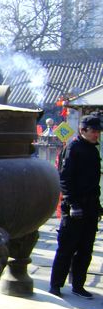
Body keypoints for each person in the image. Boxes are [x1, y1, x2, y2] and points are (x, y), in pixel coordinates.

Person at [49, 114, 102, 299]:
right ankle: (56, 285)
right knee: (66, 247)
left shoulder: (93, 151)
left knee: (85, 249)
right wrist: (72, 202)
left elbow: (93, 182)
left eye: (98, 131)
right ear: (83, 130)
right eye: (94, 131)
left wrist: (98, 205)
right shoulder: (73, 148)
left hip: (90, 206)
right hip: (74, 207)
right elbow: (64, 178)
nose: (97, 135)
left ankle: (78, 285)